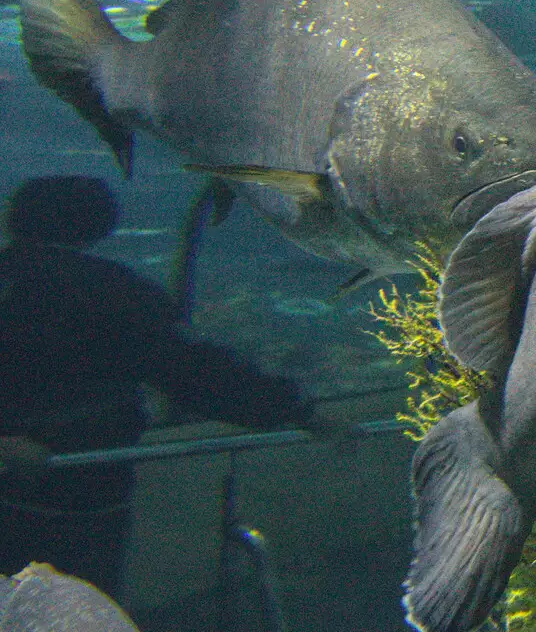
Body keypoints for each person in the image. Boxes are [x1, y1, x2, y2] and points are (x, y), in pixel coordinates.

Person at [0, 175, 316, 595]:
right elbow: (192, 371)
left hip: (48, 480)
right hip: (80, 487)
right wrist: (298, 411)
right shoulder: (114, 291)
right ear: (99, 226)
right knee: (76, 619)